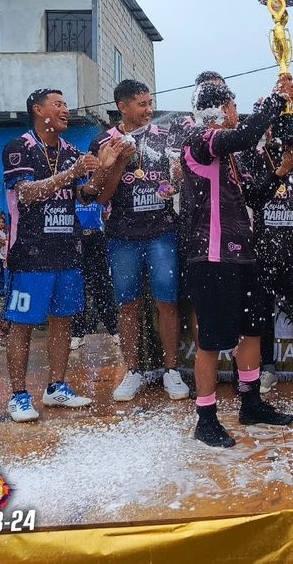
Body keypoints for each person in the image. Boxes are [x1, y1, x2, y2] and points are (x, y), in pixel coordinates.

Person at [181, 71, 293, 447]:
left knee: (251, 331)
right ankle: (206, 419)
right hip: (211, 256)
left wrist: (282, 169)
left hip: (243, 255)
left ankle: (251, 403)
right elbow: (247, 134)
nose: (236, 112)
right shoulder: (201, 139)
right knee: (212, 341)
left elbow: (254, 199)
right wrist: (276, 100)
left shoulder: (230, 155)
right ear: (219, 109)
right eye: (233, 106)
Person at [1, 88, 122, 422]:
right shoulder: (20, 147)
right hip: (30, 253)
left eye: (66, 104)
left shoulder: (70, 151)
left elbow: (85, 195)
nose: (66, 109)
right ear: (38, 110)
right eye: (58, 104)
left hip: (68, 250)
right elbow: (26, 194)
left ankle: (56, 386)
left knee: (63, 320)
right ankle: (18, 395)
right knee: (22, 324)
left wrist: (104, 168)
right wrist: (72, 173)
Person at [93, 79, 188, 400]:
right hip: (122, 237)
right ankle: (132, 371)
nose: (149, 110)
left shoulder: (165, 135)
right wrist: (120, 161)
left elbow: (177, 181)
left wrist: (175, 182)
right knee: (128, 305)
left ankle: (172, 370)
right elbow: (101, 196)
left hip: (162, 233)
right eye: (142, 104)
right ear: (123, 107)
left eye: (150, 103)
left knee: (167, 302)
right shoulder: (104, 141)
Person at [239, 125, 293, 395]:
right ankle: (267, 368)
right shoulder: (254, 156)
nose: (272, 129)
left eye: (277, 122)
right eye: (268, 123)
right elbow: (248, 194)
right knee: (264, 309)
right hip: (262, 246)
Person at [68, 199, 119, 351]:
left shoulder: (99, 188)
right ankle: (77, 332)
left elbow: (107, 212)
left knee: (102, 285)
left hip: (96, 237)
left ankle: (114, 329)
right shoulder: (71, 188)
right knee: (77, 286)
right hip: (75, 238)